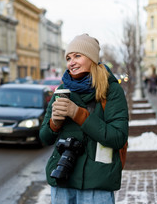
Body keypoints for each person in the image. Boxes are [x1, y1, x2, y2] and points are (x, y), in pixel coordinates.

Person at [39, 34, 129, 204]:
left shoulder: (111, 90)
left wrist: (79, 115)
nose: (71, 62)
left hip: (97, 182)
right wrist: (54, 124)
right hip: (62, 176)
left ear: (92, 58)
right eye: (68, 58)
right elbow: (44, 137)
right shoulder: (62, 90)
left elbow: (118, 137)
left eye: (77, 56)